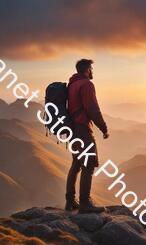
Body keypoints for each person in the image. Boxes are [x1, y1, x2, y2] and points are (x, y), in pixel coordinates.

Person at [65, 59, 109, 213]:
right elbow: (92, 109)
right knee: (89, 164)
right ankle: (84, 203)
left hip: (72, 129)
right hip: (83, 129)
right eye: (91, 68)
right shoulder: (86, 84)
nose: (92, 71)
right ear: (87, 70)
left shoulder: (72, 84)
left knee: (76, 164)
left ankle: (70, 201)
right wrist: (104, 128)